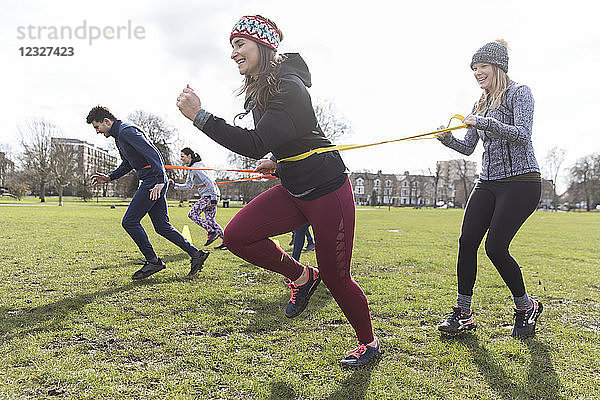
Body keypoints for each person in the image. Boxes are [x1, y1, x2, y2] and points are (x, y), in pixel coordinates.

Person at [176, 15, 382, 367]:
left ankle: (369, 343)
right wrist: (279, 161)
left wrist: (200, 117)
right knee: (238, 236)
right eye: (232, 46)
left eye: (239, 44)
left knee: (337, 277)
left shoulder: (288, 86)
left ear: (263, 46)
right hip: (295, 187)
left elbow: (256, 142)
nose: (233, 53)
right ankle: (302, 277)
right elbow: (282, 138)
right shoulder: (263, 89)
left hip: (327, 190)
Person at [435, 40, 543, 339]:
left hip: (522, 182)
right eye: (474, 68)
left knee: (495, 247)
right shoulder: (479, 103)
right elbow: (469, 148)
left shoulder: (520, 93)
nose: (477, 73)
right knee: (467, 241)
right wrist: (447, 140)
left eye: (482, 67)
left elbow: (523, 135)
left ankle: (525, 306)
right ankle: (463, 313)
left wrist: (485, 122)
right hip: (488, 182)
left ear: (497, 67)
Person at [86, 106, 209, 279]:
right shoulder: (119, 136)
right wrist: (110, 177)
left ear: (106, 121)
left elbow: (153, 153)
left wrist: (159, 180)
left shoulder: (126, 131)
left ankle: (153, 261)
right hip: (153, 180)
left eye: (97, 127)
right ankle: (197, 254)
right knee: (162, 227)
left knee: (129, 222)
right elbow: (128, 163)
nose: (97, 131)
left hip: (153, 181)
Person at [170, 147, 225, 248]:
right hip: (212, 195)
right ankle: (226, 242)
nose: (181, 159)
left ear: (189, 156)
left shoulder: (196, 168)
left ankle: (211, 232)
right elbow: (188, 186)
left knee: (192, 214)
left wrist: (213, 197)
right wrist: (174, 185)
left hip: (209, 196)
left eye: (182, 156)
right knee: (210, 220)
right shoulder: (191, 169)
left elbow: (208, 181)